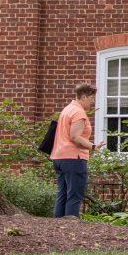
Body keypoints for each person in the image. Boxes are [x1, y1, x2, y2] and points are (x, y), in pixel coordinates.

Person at [50, 83, 101, 218]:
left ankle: (58, 227)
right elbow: (75, 137)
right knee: (74, 195)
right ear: (84, 97)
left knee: (63, 194)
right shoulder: (78, 112)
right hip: (74, 157)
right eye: (91, 98)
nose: (93, 101)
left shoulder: (67, 109)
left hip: (59, 157)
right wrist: (93, 147)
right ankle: (71, 230)